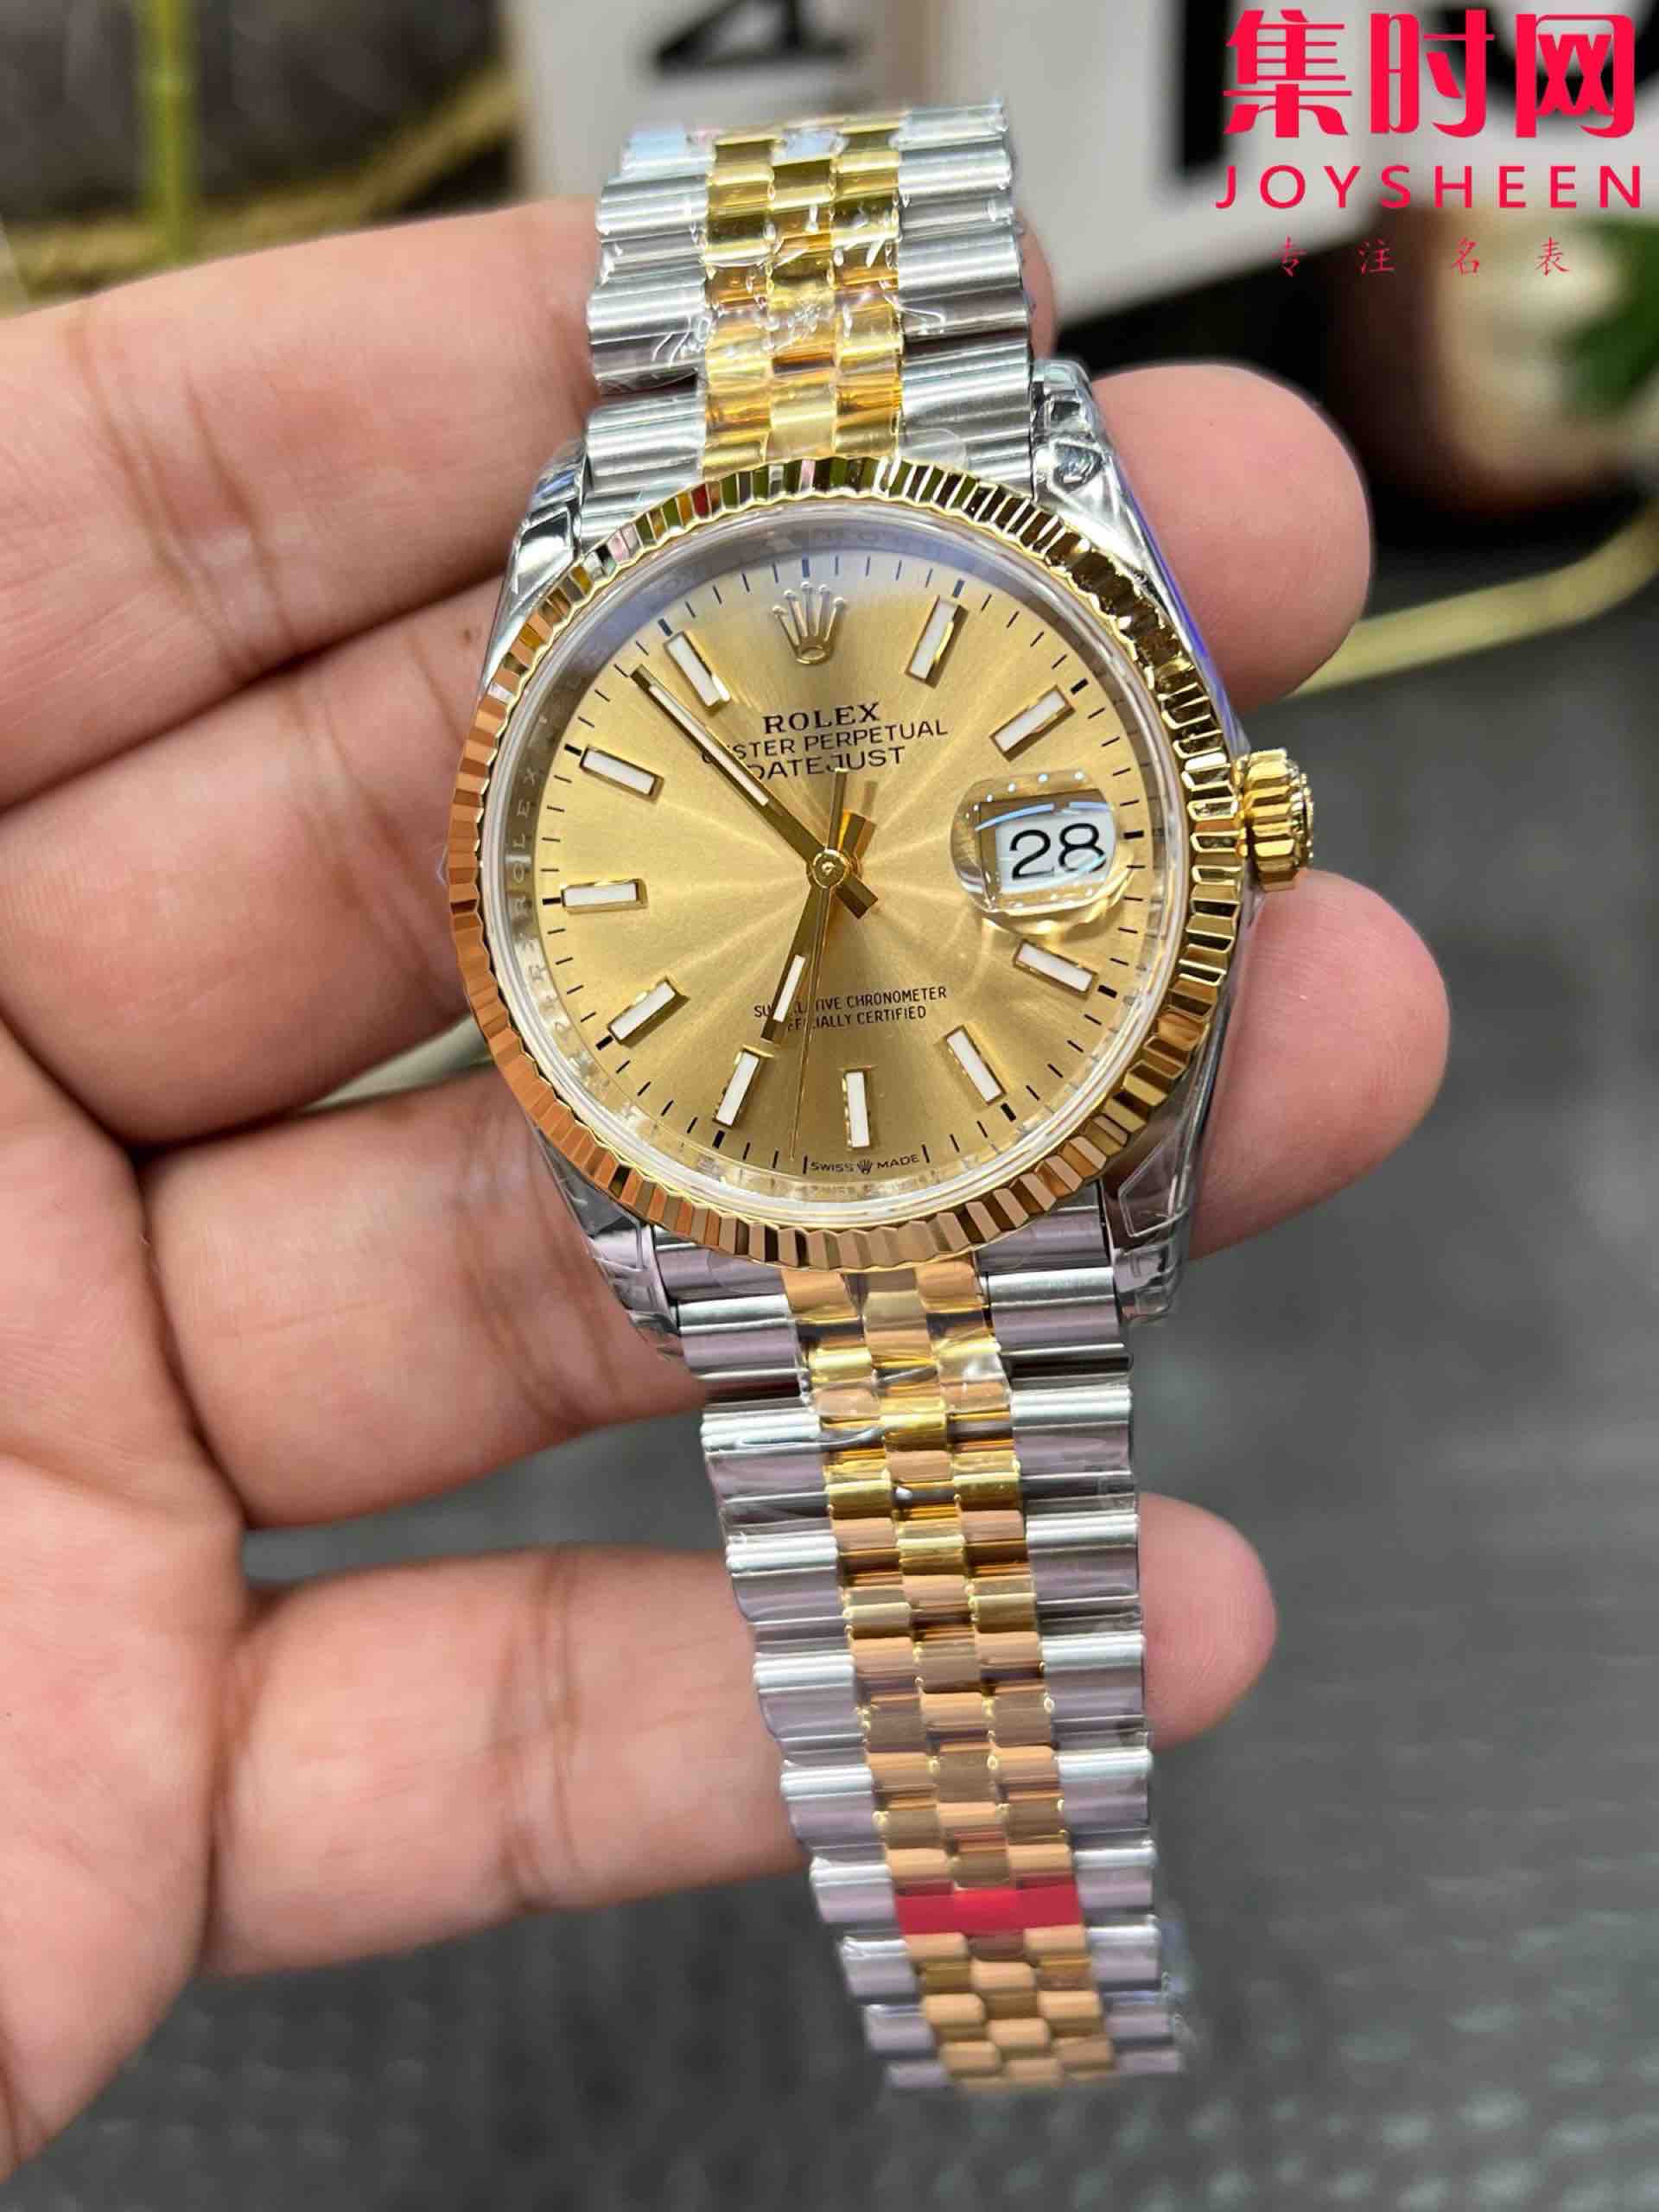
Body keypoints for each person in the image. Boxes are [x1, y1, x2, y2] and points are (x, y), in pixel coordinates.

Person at [0, 200, 1447, 2171]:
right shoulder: (602, 721)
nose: (846, 875)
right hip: (781, 1162)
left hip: (945, 1142)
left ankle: (1024, 1979)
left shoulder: (998, 589)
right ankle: (1012, 1981)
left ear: (1232, 816)